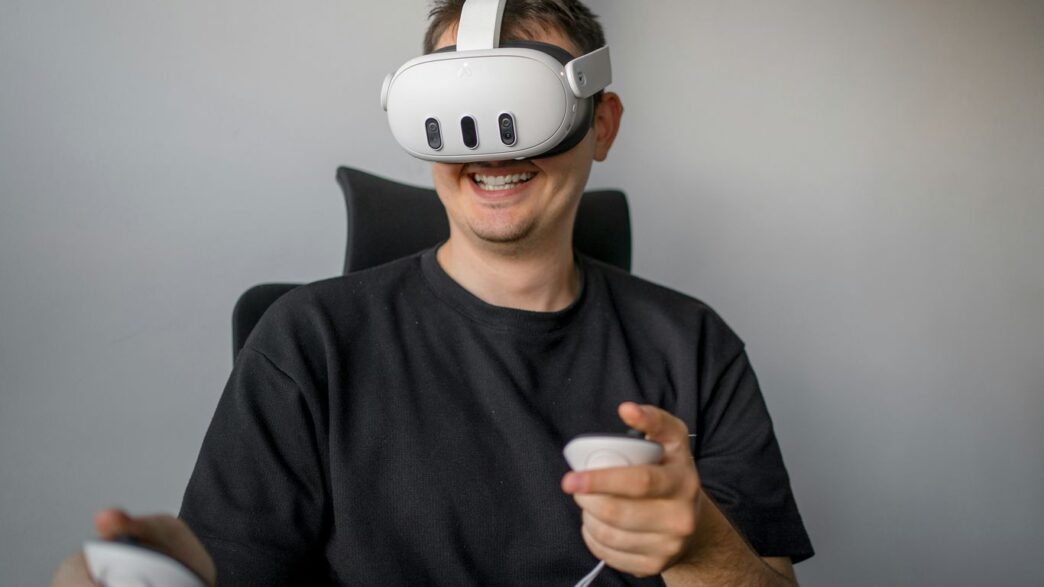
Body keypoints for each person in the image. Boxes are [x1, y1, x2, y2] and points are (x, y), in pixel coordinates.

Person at [53, 1, 813, 585]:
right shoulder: (305, 342)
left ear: (600, 124)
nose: (493, 149)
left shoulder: (694, 344)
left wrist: (700, 545)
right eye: (455, 120)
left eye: (525, 113)